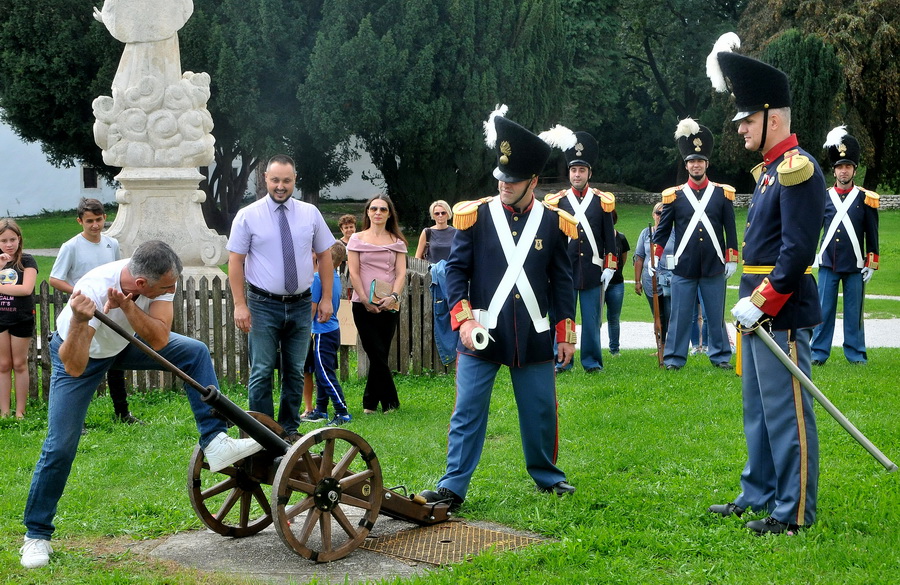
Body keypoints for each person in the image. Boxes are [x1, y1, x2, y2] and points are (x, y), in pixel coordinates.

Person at [20, 240, 263, 569]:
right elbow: (75, 366)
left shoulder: (160, 278)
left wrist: (128, 307)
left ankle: (215, 440)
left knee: (193, 352)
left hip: (120, 344)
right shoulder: (93, 290)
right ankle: (36, 535)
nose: (172, 290)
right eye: (166, 288)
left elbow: (160, 338)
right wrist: (78, 320)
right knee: (60, 445)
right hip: (78, 353)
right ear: (141, 283)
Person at [419, 105, 578, 511]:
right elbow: (455, 271)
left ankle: (547, 476)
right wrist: (462, 318)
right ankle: (453, 486)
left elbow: (562, 282)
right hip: (481, 331)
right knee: (468, 410)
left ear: (533, 181)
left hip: (535, 332)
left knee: (541, 410)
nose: (504, 185)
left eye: (514, 180)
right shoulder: (475, 216)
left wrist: (565, 333)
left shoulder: (554, 222)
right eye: (501, 178)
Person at [706, 33, 826, 535]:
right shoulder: (771, 172)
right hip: (755, 308)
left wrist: (764, 302)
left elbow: (796, 252)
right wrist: (751, 303)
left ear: (772, 118)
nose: (740, 129)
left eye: (747, 120)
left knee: (787, 413)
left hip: (780, 308)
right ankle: (758, 492)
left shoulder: (798, 170)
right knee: (758, 410)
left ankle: (793, 512)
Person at [227, 154, 336, 441]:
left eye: (286, 181)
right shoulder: (248, 215)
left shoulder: (310, 213)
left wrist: (326, 298)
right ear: (265, 178)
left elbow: (325, 255)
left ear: (294, 180)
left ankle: (288, 430)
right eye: (275, 180)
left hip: (301, 305)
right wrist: (239, 305)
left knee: (295, 372)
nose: (280, 186)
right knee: (262, 371)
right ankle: (262, 432)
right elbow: (235, 261)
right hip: (262, 305)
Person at [652, 118, 738, 371]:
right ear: (686, 164)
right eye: (691, 161)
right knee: (679, 316)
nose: (696, 164)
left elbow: (730, 229)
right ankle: (674, 359)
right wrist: (655, 255)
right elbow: (663, 230)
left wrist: (732, 257)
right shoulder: (674, 196)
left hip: (714, 264)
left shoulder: (722, 194)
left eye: (700, 160)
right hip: (684, 265)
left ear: (706, 164)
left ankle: (720, 356)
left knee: (715, 315)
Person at [48, 198, 142, 424]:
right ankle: (76, 421)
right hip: (84, 314)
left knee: (115, 362)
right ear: (79, 221)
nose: (95, 225)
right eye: (89, 221)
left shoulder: (112, 244)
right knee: (81, 366)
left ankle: (122, 412)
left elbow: (119, 273)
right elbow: (54, 278)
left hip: (110, 311)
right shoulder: (71, 247)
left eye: (98, 220)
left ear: (105, 218)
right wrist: (81, 293)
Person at [545, 130, 617, 373]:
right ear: (569, 173)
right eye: (574, 170)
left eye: (582, 170)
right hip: (564, 271)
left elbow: (609, 237)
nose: (577, 174)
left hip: (592, 269)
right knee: (563, 318)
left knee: (592, 320)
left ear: (589, 173)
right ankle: (562, 360)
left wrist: (610, 265)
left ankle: (592, 362)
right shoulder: (558, 201)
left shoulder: (601, 201)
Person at [811, 126, 879, 366]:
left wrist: (872, 263)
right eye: (840, 167)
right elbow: (814, 230)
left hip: (855, 264)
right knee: (823, 310)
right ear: (834, 170)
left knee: (854, 313)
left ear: (855, 170)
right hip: (828, 262)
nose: (843, 171)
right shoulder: (824, 196)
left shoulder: (865, 198)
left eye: (848, 166)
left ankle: (856, 353)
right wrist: (810, 256)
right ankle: (818, 353)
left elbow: (872, 234)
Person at [347, 195, 407, 414]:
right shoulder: (356, 239)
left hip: (389, 305)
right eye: (374, 209)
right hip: (362, 304)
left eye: (383, 209)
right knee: (375, 351)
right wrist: (364, 299)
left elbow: (401, 273)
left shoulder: (397, 241)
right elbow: (354, 272)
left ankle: (370, 404)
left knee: (380, 352)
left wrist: (393, 297)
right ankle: (391, 402)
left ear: (389, 214)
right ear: (368, 212)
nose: (378, 213)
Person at [301, 243, 351, 426]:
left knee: (324, 374)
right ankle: (320, 409)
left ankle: (342, 411)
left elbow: (312, 309)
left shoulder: (317, 278)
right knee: (320, 373)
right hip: (332, 331)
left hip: (322, 332)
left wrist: (301, 327)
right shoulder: (334, 277)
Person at [0, 219, 37, 420]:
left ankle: (20, 411)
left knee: (20, 364)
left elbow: (26, 289)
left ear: (19, 239)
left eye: (12, 239)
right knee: (3, 364)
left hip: (21, 318)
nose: (9, 244)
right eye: (4, 240)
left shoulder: (27, 261)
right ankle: (5, 411)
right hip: (1, 319)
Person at [633, 203, 675, 345]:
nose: (661, 216)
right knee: (657, 314)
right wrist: (637, 281)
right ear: (653, 215)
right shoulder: (646, 233)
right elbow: (639, 257)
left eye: (664, 214)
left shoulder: (675, 232)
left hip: (669, 279)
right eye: (658, 213)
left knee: (670, 314)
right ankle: (660, 346)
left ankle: (670, 346)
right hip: (650, 280)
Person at [604, 211, 629, 356]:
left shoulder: (621, 238)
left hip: (616, 283)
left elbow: (623, 258)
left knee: (614, 318)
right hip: (599, 283)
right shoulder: (598, 238)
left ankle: (614, 349)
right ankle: (594, 348)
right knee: (595, 318)